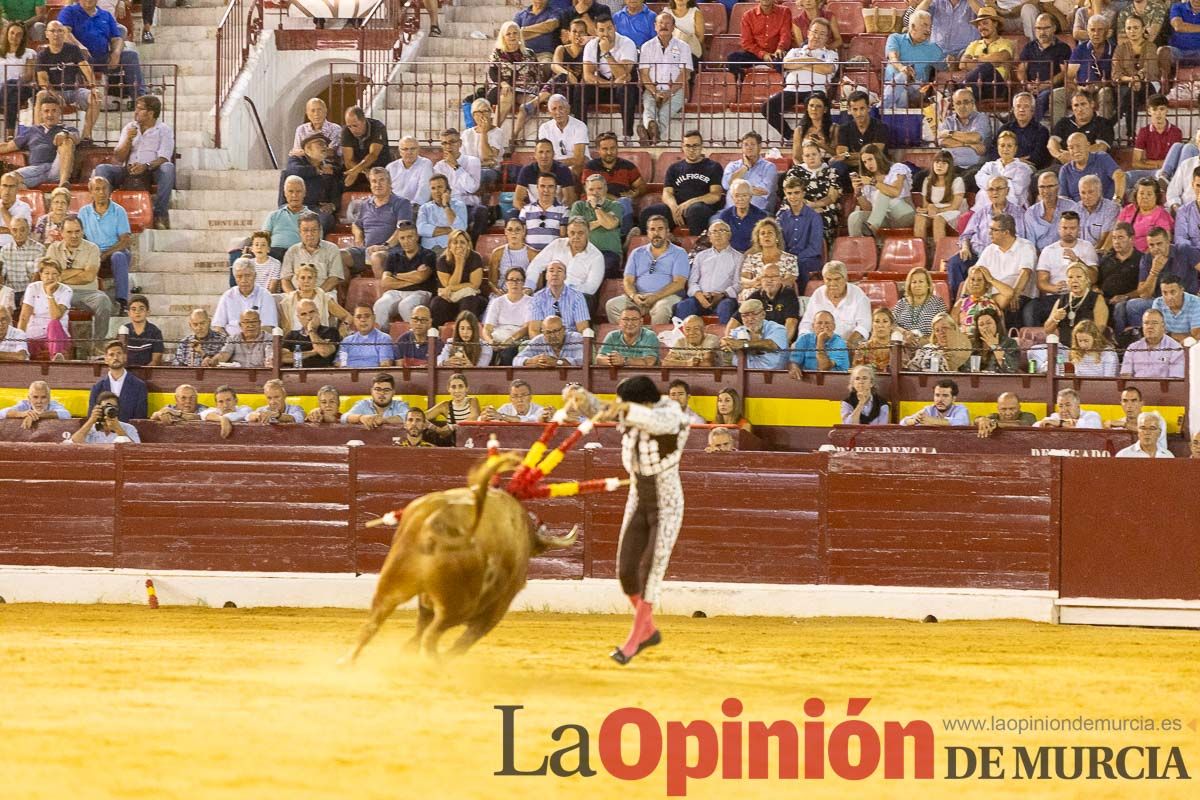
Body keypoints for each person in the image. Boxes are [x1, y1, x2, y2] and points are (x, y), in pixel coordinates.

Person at [596, 375, 690, 665]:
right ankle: (648, 630)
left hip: (667, 505)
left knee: (650, 571)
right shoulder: (635, 413)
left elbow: (654, 422)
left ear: (644, 402)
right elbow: (608, 411)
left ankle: (633, 642)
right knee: (625, 571)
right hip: (638, 499)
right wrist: (580, 399)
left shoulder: (672, 414)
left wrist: (623, 410)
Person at [93, 95, 174, 229]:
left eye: (140, 109)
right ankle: (103, 211)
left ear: (151, 113)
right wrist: (128, 140)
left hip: (152, 170)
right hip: (129, 169)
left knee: (168, 168)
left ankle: (160, 214)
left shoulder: (164, 130)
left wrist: (146, 166)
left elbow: (164, 157)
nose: (135, 112)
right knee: (102, 169)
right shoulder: (130, 127)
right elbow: (119, 157)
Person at [761, 18, 837, 143]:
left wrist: (802, 62)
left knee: (814, 109)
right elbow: (786, 64)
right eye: (815, 32)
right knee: (767, 107)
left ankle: (813, 139)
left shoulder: (831, 54)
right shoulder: (795, 51)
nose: (817, 36)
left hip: (816, 90)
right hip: (792, 89)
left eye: (822, 34)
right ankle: (791, 136)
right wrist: (812, 61)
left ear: (827, 38)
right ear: (808, 33)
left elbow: (827, 68)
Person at [58, 0, 145, 104]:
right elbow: (64, 32)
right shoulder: (69, 11)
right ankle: (86, 98)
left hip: (102, 57)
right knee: (80, 56)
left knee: (131, 56)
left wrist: (116, 53)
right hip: (79, 59)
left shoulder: (105, 15)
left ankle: (140, 99)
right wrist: (79, 47)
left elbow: (117, 38)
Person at [605, 214, 688, 324]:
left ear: (667, 231)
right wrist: (634, 296)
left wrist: (656, 296)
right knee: (612, 305)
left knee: (661, 309)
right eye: (652, 229)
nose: (656, 233)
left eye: (660, 229)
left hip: (666, 297)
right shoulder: (637, 253)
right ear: (648, 232)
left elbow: (679, 283)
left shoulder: (679, 253)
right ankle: (634, 337)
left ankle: (653, 340)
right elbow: (628, 280)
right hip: (639, 297)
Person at [639, 129, 724, 235]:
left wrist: (690, 202)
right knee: (648, 212)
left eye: (695, 146)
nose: (692, 150)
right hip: (678, 208)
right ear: (682, 147)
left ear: (702, 146)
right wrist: (673, 207)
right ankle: (653, 245)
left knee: (695, 210)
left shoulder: (713, 167)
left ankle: (697, 246)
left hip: (701, 208)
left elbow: (715, 195)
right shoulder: (674, 168)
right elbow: (667, 193)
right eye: (688, 146)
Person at [1117, 226, 1200, 332]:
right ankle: (1144, 338)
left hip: (1188, 299)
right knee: (1131, 306)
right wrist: (1154, 272)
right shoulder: (1146, 259)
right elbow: (1144, 294)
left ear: (1168, 241)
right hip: (1160, 302)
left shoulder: (1184, 250)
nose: (1156, 248)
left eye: (1159, 244)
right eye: (1151, 245)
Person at [34, 21, 98, 145]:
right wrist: (55, 95)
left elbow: (85, 68)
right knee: (41, 95)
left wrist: (93, 87)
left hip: (73, 90)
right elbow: (43, 80)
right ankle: (39, 135)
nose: (56, 34)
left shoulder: (73, 49)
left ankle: (85, 137)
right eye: (52, 31)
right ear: (47, 34)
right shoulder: (43, 55)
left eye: (60, 31)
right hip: (54, 92)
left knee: (95, 97)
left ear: (64, 33)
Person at [525, 217, 605, 313]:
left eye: (580, 233)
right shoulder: (557, 244)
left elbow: (591, 288)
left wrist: (564, 292)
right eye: (572, 233)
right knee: (531, 301)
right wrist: (529, 287)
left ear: (588, 233)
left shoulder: (596, 256)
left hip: (578, 298)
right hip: (551, 294)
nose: (576, 236)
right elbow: (535, 265)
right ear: (567, 232)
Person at [343, 168, 413, 278]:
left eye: (382, 180)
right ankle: (345, 294)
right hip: (368, 249)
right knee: (339, 255)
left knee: (376, 257)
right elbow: (356, 225)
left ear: (389, 182)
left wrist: (384, 246)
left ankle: (382, 294)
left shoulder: (402, 203)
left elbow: (403, 229)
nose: (377, 184)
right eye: (374, 181)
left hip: (392, 250)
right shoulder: (365, 204)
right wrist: (359, 238)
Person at [76, 175, 131, 314]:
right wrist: (93, 253)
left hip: (115, 251)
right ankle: (79, 300)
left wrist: (105, 254)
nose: (101, 192)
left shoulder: (119, 211)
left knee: (119, 256)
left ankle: (122, 302)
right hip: (92, 252)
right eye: (97, 189)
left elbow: (125, 240)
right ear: (91, 192)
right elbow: (80, 237)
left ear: (110, 190)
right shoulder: (84, 212)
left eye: (104, 189)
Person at [487, 24, 549, 145]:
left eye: (515, 33)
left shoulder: (529, 53)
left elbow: (537, 74)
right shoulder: (498, 53)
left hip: (524, 89)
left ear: (519, 35)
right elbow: (492, 72)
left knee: (528, 104)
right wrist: (504, 84)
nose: (512, 36)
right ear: (503, 37)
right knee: (508, 95)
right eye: (508, 34)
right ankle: (493, 133)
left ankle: (514, 137)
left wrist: (535, 87)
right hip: (502, 89)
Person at [580, 19, 639, 144]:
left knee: (626, 88)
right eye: (601, 30)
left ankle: (627, 135)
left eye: (609, 29)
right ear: (596, 31)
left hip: (622, 89)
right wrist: (610, 84)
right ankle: (581, 135)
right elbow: (588, 76)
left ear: (615, 28)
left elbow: (623, 75)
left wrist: (606, 53)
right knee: (581, 88)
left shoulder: (627, 43)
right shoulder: (591, 45)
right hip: (605, 86)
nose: (605, 33)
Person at [0, 93, 76, 189]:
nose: (50, 114)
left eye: (54, 111)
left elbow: (76, 138)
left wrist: (65, 134)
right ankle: (30, 196)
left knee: (67, 141)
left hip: (56, 170)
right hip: (36, 170)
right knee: (9, 179)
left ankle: (63, 184)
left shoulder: (67, 129)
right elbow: (8, 146)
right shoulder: (32, 130)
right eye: (46, 111)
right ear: (41, 113)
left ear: (59, 112)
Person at [637, 12, 689, 145]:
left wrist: (670, 92)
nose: (663, 26)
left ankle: (648, 132)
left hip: (676, 91)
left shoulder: (684, 47)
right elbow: (644, 74)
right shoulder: (647, 47)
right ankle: (653, 133)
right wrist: (655, 92)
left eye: (667, 24)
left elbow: (685, 73)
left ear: (673, 27)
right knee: (649, 107)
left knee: (664, 113)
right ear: (655, 26)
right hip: (652, 89)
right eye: (660, 23)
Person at [673, 220, 740, 324]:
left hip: (724, 298)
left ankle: (726, 339)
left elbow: (738, 284)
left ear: (729, 235)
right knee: (683, 306)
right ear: (709, 236)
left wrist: (722, 295)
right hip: (701, 297)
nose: (717, 234)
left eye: (722, 231)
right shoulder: (701, 256)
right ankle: (680, 338)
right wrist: (699, 295)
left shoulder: (738, 257)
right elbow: (692, 281)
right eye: (714, 232)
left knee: (725, 307)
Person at [582, 131, 646, 237]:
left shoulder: (627, 166)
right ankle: (624, 238)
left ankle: (624, 238)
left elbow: (642, 186)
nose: (609, 152)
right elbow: (590, 191)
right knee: (623, 203)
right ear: (598, 150)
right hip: (596, 205)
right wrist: (616, 201)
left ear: (617, 148)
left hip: (620, 208)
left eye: (612, 148)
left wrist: (635, 193)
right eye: (605, 149)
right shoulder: (591, 166)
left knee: (625, 202)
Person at [373, 221, 435, 326]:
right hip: (396, 292)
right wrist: (413, 278)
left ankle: (413, 339)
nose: (406, 241)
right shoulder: (393, 256)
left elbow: (421, 277)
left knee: (405, 305)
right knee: (380, 305)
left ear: (416, 237)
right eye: (402, 238)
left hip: (420, 292)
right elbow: (385, 282)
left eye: (409, 237)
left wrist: (397, 276)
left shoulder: (428, 254)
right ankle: (383, 339)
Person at [1114, 19, 1165, 145]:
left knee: (1134, 91)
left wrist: (1137, 78)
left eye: (1136, 28)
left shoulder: (1150, 46)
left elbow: (1150, 68)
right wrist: (1132, 79)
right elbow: (1116, 74)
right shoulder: (1120, 49)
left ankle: (1117, 120)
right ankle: (1131, 136)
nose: (1132, 31)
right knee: (1132, 94)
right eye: (1129, 28)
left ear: (1143, 29)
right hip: (1127, 86)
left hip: (1148, 86)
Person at [281, 130, 342, 235]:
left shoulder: (329, 168)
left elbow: (336, 193)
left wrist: (332, 205)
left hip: (315, 209)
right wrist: (318, 170)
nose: (325, 147)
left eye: (326, 145)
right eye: (320, 144)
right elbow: (295, 171)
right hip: (293, 206)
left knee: (326, 219)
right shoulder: (296, 161)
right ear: (308, 150)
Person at [434, 127, 489, 242]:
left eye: (452, 142)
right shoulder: (438, 167)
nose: (448, 146)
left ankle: (472, 246)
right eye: (444, 143)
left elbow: (472, 187)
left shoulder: (472, 161)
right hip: (449, 206)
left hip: (468, 205)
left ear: (460, 143)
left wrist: (456, 166)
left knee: (481, 211)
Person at [847, 143, 915, 237]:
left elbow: (895, 192)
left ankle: (872, 227)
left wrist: (873, 182)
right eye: (865, 162)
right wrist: (858, 192)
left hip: (904, 215)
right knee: (854, 217)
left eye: (870, 159)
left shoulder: (896, 169)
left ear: (878, 157)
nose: (868, 164)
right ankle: (859, 248)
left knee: (882, 192)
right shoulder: (868, 180)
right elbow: (869, 209)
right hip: (884, 219)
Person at [798, 260, 871, 346]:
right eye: (828, 279)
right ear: (824, 279)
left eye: (837, 279)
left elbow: (864, 326)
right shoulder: (818, 294)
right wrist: (805, 341)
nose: (833, 283)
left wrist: (847, 344)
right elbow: (806, 324)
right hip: (819, 344)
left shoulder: (858, 295)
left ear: (845, 278)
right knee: (795, 346)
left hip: (849, 344)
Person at [783, 140, 839, 251]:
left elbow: (832, 197)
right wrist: (807, 209)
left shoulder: (831, 172)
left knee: (820, 220)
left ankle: (817, 255)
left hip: (824, 209)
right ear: (803, 157)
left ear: (820, 155)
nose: (811, 158)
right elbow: (791, 193)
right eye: (807, 155)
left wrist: (814, 205)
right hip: (796, 207)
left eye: (814, 154)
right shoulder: (795, 172)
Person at [883, 10, 945, 109]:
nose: (928, 30)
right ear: (912, 26)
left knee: (902, 81)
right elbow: (893, 57)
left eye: (930, 26)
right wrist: (902, 68)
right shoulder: (895, 38)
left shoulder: (933, 49)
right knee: (902, 93)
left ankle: (880, 109)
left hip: (917, 90)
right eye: (924, 25)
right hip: (892, 84)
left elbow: (946, 67)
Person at [956, 7, 1016, 103]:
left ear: (995, 24)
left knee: (987, 66)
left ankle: (960, 87)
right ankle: (966, 93)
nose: (981, 27)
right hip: (977, 85)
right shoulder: (974, 44)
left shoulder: (1006, 43)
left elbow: (1001, 57)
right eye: (979, 24)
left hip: (996, 86)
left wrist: (977, 59)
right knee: (986, 67)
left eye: (985, 23)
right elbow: (963, 64)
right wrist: (991, 61)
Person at [1017, 17, 1071, 124]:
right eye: (1038, 28)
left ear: (1054, 28)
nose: (1042, 32)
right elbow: (1021, 70)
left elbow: (1064, 73)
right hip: (1031, 86)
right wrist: (1026, 83)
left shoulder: (1063, 47)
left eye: (1046, 28)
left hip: (1051, 87)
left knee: (1042, 97)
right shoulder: (1029, 47)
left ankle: (1035, 128)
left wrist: (1045, 85)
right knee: (1018, 99)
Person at [830, 90, 888, 190]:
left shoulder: (880, 127)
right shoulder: (844, 128)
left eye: (862, 109)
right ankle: (839, 198)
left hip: (874, 168)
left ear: (868, 108)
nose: (859, 113)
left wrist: (849, 156)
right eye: (855, 109)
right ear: (849, 110)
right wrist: (853, 157)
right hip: (852, 171)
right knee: (836, 165)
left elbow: (875, 155)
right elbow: (841, 155)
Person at [1035, 262, 1109, 337]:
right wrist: (1055, 319)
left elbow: (1100, 327)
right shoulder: (1063, 299)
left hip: (1088, 345)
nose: (1074, 280)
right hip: (1064, 345)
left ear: (1087, 280)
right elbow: (1047, 330)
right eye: (1070, 277)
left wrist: (1082, 342)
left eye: (1079, 277)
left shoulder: (1096, 298)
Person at [726, 0, 793, 82]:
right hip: (756, 54)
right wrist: (763, 54)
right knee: (733, 58)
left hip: (776, 54)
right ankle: (742, 86)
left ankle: (783, 89)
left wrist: (780, 48)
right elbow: (746, 42)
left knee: (782, 62)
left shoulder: (784, 12)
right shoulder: (748, 15)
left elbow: (785, 35)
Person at [17, 256, 69, 359]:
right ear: (40, 275)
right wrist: (18, 339)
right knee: (24, 347)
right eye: (47, 273)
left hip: (56, 336)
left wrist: (49, 293)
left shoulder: (66, 290)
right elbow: (24, 317)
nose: (50, 277)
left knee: (54, 323)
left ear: (59, 275)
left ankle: (56, 358)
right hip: (34, 335)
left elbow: (55, 316)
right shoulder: (33, 288)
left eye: (54, 274)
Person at [774, 175, 823, 284]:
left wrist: (793, 259)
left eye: (796, 193)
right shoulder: (782, 217)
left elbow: (815, 248)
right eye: (789, 193)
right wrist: (787, 258)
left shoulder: (814, 217)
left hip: (808, 259)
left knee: (801, 265)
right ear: (785, 194)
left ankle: (802, 297)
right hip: (787, 258)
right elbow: (780, 244)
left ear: (803, 193)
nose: (793, 197)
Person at [571, 174, 623, 276]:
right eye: (591, 189)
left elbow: (610, 225)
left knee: (603, 271)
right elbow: (577, 230)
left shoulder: (615, 205)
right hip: (584, 251)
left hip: (608, 253)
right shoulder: (578, 206)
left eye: (599, 188)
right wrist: (603, 220)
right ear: (586, 190)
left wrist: (596, 207)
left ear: (606, 189)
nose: (595, 193)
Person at [213, 259, 279, 337]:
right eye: (239, 276)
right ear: (235, 278)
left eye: (247, 276)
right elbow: (218, 327)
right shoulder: (227, 296)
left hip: (258, 343)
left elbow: (268, 327)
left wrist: (249, 341)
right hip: (231, 343)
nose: (244, 280)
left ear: (255, 276)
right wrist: (229, 342)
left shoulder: (265, 295)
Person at [278, 263, 350, 333]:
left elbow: (347, 317)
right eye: (303, 278)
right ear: (297, 280)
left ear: (315, 279)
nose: (306, 281)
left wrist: (342, 330)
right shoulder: (287, 302)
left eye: (310, 278)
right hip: (297, 341)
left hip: (320, 339)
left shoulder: (324, 299)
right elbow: (286, 328)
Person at [936, 89, 992, 178]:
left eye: (966, 102)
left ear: (973, 103)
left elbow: (975, 138)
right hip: (950, 167)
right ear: (953, 105)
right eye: (958, 103)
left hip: (975, 168)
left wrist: (950, 133)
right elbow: (943, 142)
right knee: (921, 177)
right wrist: (969, 144)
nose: (962, 106)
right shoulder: (948, 121)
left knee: (965, 179)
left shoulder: (981, 118)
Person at [738, 217, 798, 301]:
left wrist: (767, 284)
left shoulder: (790, 258)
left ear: (776, 237)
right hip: (754, 292)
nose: (766, 235)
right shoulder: (751, 258)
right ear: (759, 239)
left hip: (778, 293)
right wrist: (753, 282)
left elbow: (789, 281)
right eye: (763, 233)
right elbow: (743, 280)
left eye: (770, 232)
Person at [973, 131, 1033, 212]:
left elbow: (1017, 189)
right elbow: (979, 179)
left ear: (1015, 149)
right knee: (983, 193)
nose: (1005, 149)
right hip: (984, 209)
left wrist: (991, 183)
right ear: (998, 147)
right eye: (1002, 145)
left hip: (1013, 209)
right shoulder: (990, 165)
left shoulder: (1024, 168)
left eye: (1009, 146)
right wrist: (1005, 181)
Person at [722, 297, 789, 369]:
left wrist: (744, 344)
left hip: (772, 376)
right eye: (745, 316)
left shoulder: (777, 329)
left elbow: (771, 345)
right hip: (742, 375)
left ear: (763, 314)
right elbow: (728, 342)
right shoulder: (738, 331)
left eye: (754, 314)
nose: (750, 319)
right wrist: (726, 342)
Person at [915, 150, 966, 244]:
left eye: (944, 163)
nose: (939, 165)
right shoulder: (927, 180)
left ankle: (939, 255)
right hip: (935, 211)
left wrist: (936, 210)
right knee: (919, 218)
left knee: (938, 219)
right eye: (937, 162)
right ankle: (921, 253)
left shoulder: (957, 180)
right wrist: (923, 210)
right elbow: (926, 205)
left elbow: (955, 207)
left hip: (953, 212)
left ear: (949, 166)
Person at [87, 339, 146, 421]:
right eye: (111, 354)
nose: (115, 357)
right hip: (104, 432)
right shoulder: (97, 387)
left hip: (128, 432)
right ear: (106, 359)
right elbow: (92, 417)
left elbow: (140, 418)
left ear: (125, 357)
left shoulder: (139, 386)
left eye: (119, 353)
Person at [528, 259, 591, 334]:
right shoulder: (537, 298)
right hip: (546, 338)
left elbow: (582, 329)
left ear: (565, 276)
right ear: (546, 276)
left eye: (559, 271)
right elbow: (534, 330)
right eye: (551, 271)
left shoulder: (577, 297)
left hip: (570, 339)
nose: (555, 274)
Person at [1122, 307, 1186, 377]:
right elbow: (1125, 376)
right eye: (1146, 323)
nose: (1150, 326)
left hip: (1163, 387)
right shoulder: (1132, 348)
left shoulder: (1176, 349)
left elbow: (1175, 380)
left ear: (1163, 326)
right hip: (1136, 387)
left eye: (1154, 323)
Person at [339, 106, 392, 190]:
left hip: (380, 166)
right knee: (342, 182)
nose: (352, 129)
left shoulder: (378, 127)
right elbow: (348, 161)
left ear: (363, 120)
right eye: (349, 126)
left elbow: (373, 155)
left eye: (355, 125)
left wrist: (356, 171)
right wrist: (363, 171)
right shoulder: (346, 131)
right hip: (358, 169)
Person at [1117, 178, 1174, 252]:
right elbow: (1116, 233)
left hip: (1145, 256)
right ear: (1136, 194)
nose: (1144, 197)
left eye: (1149, 194)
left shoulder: (1161, 214)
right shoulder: (1128, 209)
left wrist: (1143, 258)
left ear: (1156, 196)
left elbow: (1163, 243)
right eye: (1141, 193)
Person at [951, 264, 1013, 332]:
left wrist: (991, 279)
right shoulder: (961, 303)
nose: (975, 283)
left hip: (991, 339)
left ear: (986, 284)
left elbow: (1009, 294)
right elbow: (952, 327)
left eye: (979, 280)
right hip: (966, 340)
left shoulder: (994, 299)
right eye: (972, 279)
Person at [462, 98, 508, 188]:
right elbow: (462, 159)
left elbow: (487, 156)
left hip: (489, 170)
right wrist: (479, 163)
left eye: (485, 111)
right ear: (473, 116)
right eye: (478, 112)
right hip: (470, 169)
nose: (482, 115)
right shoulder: (467, 134)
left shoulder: (497, 132)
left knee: (482, 175)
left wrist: (484, 133)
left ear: (490, 113)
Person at [282, 298, 341, 368]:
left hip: (322, 373)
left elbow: (324, 352)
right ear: (298, 318)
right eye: (303, 314)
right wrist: (312, 353)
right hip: (295, 374)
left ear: (318, 312)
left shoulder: (331, 331)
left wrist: (311, 330)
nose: (309, 317)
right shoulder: (292, 335)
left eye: (311, 312)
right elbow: (283, 357)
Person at [539, 93, 590, 171]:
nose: (558, 112)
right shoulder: (545, 128)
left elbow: (578, 159)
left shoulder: (579, 126)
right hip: (554, 166)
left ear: (568, 109)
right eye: (554, 109)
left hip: (575, 166)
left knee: (577, 166)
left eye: (561, 108)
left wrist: (554, 163)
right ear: (549, 113)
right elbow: (544, 154)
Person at [893, 266, 949, 337]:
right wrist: (905, 333)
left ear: (928, 285)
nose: (917, 285)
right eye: (914, 282)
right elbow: (891, 324)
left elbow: (944, 327)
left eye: (921, 282)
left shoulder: (938, 303)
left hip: (929, 344)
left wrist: (925, 340)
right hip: (904, 342)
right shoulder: (901, 303)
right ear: (909, 285)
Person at [518, 173, 569, 251]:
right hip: (530, 257)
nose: (546, 190)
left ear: (556, 189)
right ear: (537, 188)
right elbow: (521, 236)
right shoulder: (525, 210)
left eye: (550, 186)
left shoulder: (564, 211)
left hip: (553, 256)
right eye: (542, 186)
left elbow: (563, 238)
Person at [908, 311, 973, 371]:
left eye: (945, 328)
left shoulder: (965, 350)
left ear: (954, 329)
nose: (941, 332)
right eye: (937, 330)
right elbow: (912, 368)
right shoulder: (926, 349)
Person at [788, 309, 849, 373]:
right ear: (813, 326)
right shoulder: (804, 339)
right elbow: (793, 362)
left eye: (827, 323)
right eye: (819, 323)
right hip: (808, 379)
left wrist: (820, 340)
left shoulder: (839, 343)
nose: (823, 326)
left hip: (834, 380)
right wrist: (794, 367)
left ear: (834, 326)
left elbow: (824, 367)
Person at [341, 373, 409, 429]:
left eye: (386, 390)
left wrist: (384, 420)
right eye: (378, 389)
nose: (382, 393)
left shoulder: (400, 405)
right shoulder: (363, 404)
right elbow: (344, 417)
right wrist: (361, 418)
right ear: (371, 391)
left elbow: (408, 417)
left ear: (393, 392)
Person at [717, 179, 768, 253]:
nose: (740, 199)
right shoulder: (725, 215)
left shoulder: (761, 216)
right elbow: (721, 241)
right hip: (730, 254)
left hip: (753, 255)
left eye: (744, 195)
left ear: (750, 196)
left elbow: (761, 242)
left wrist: (745, 255)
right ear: (732, 197)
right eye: (737, 195)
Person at [513, 314, 584, 366]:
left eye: (556, 331)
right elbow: (516, 361)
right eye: (548, 332)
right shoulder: (538, 340)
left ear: (563, 329)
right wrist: (531, 361)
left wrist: (557, 362)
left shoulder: (576, 338)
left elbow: (583, 361)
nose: (552, 335)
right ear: (543, 332)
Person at [69, 390, 139, 443]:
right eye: (105, 407)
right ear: (98, 408)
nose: (109, 409)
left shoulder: (129, 428)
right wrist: (91, 420)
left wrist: (118, 429)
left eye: (113, 407)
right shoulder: (90, 429)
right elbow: (73, 445)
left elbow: (136, 451)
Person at [967, 307, 1019, 372]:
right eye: (981, 324)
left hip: (999, 381)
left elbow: (1011, 368)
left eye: (989, 323)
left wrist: (994, 346)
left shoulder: (1010, 343)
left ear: (996, 324)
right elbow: (965, 369)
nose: (985, 327)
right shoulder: (972, 344)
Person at [1, 380, 71, 428]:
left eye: (43, 397)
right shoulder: (24, 404)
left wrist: (36, 415)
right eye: (35, 397)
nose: (39, 401)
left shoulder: (53, 404)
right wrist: (22, 414)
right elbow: (1, 413)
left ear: (49, 398)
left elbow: (66, 414)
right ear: (29, 398)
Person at [900, 378, 971, 425]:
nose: (940, 399)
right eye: (937, 395)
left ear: (953, 399)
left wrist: (934, 421)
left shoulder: (960, 409)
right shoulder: (929, 410)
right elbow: (902, 422)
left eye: (945, 396)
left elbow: (962, 422)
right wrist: (912, 421)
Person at [1152, 273, 1200, 342]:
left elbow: (1195, 336)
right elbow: (1155, 333)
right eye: (1165, 293)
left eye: (1173, 292)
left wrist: (1168, 334)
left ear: (1182, 290)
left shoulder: (1196, 303)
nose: (1169, 297)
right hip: (1166, 344)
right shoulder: (1158, 303)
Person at [481, 378, 550, 422]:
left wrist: (502, 417)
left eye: (523, 395)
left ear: (530, 397)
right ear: (510, 399)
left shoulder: (539, 410)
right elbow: (495, 418)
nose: (520, 400)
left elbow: (529, 420)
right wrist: (485, 417)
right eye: (515, 396)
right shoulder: (505, 408)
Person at [853, 307, 898, 372]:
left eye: (885, 321)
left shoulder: (898, 348)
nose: (880, 325)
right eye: (877, 321)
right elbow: (856, 372)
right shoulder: (863, 348)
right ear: (872, 325)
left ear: (891, 325)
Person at [121, 294, 162, 367]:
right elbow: (121, 357)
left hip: (148, 373)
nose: (137, 312)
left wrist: (144, 373)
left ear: (148, 312)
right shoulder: (123, 330)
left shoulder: (155, 332)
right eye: (133, 309)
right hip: (127, 371)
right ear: (129, 313)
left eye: (141, 309)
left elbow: (156, 359)